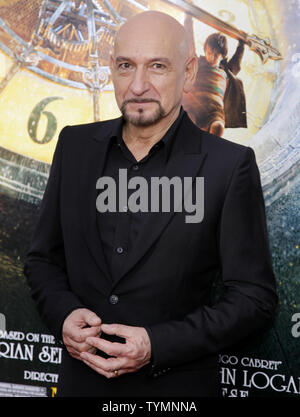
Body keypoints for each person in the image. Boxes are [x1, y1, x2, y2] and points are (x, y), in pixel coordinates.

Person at [23, 11, 277, 397]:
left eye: (157, 66)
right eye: (126, 66)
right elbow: (42, 259)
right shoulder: (74, 147)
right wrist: (64, 316)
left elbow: (254, 299)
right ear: (111, 69)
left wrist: (157, 345)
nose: (138, 85)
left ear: (189, 71)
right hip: (81, 386)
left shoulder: (229, 167)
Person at [182, 15, 247, 137]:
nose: (212, 57)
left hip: (214, 112)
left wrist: (241, 44)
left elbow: (237, 61)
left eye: (216, 54)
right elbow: (189, 40)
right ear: (205, 50)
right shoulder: (197, 62)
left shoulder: (226, 71)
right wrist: (188, 18)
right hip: (193, 107)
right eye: (210, 53)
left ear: (222, 56)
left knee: (218, 127)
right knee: (187, 122)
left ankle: (209, 151)